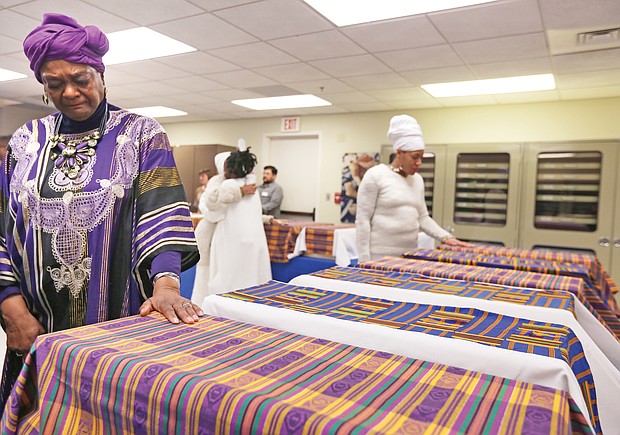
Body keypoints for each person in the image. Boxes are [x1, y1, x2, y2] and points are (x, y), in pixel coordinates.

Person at [0, 13, 201, 412]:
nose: (70, 92)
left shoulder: (142, 133)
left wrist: (166, 286)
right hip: (36, 326)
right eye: (54, 84)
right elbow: (3, 231)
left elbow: (160, 214)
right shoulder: (26, 140)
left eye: (81, 79)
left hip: (117, 324)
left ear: (101, 75)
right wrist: (12, 311)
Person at [356, 114, 471, 262]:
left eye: (422, 157)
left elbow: (422, 217)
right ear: (399, 152)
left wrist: (446, 237)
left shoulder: (417, 180)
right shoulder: (376, 175)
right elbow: (363, 220)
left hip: (410, 255)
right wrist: (364, 260)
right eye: (415, 157)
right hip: (379, 256)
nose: (419, 162)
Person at [206, 140, 271, 295]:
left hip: (231, 239)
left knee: (229, 279)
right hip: (254, 240)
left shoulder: (228, 185)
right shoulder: (252, 184)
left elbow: (212, 204)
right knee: (252, 279)